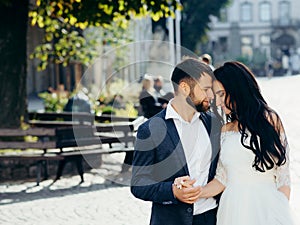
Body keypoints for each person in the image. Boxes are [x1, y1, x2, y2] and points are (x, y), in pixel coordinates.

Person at [196, 61, 295, 224]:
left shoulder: (270, 120)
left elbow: (283, 176)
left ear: (236, 89)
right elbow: (221, 179)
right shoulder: (225, 130)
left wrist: (280, 211)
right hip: (232, 210)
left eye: (221, 94)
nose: (218, 102)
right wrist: (196, 192)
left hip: (267, 209)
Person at [131, 58, 222, 225]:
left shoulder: (214, 123)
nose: (211, 95)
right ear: (185, 88)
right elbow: (138, 183)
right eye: (206, 89)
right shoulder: (150, 130)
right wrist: (172, 191)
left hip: (212, 218)